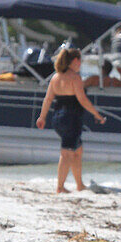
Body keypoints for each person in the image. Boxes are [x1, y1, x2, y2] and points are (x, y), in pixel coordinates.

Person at [35, 48, 106, 193]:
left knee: (77, 150)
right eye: (80, 60)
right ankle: (60, 187)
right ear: (74, 61)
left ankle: (79, 184)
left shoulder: (56, 77)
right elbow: (82, 99)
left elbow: (48, 99)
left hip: (58, 118)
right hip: (71, 118)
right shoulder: (74, 77)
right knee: (67, 153)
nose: (81, 63)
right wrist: (97, 114)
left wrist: (42, 117)